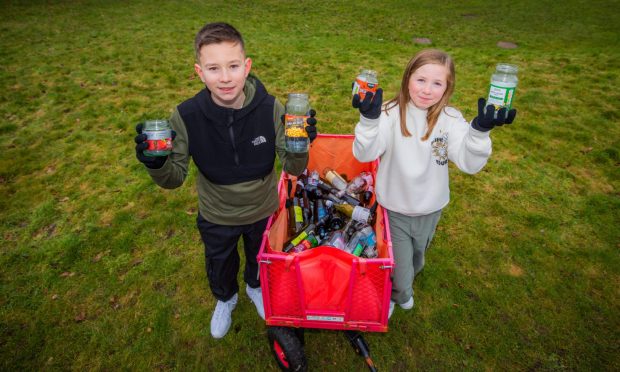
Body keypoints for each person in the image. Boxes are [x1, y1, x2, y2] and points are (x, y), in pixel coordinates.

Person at [134, 22, 317, 338]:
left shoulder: (271, 108)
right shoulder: (186, 116)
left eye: (233, 66)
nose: (225, 77)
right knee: (220, 263)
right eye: (213, 68)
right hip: (217, 214)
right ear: (199, 72)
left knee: (260, 258)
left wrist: (300, 146)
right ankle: (225, 297)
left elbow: (293, 167)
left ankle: (255, 287)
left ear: (247, 67)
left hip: (262, 209)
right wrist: (157, 163)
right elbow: (173, 179)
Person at [351, 49, 516, 318]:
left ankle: (409, 276)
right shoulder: (389, 114)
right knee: (401, 267)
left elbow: (469, 163)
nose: (427, 90)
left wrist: (479, 131)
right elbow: (364, 154)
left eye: (437, 83)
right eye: (421, 80)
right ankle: (401, 293)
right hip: (395, 209)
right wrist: (369, 121)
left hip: (431, 208)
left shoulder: (450, 120)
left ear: (447, 87)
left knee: (418, 255)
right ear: (407, 79)